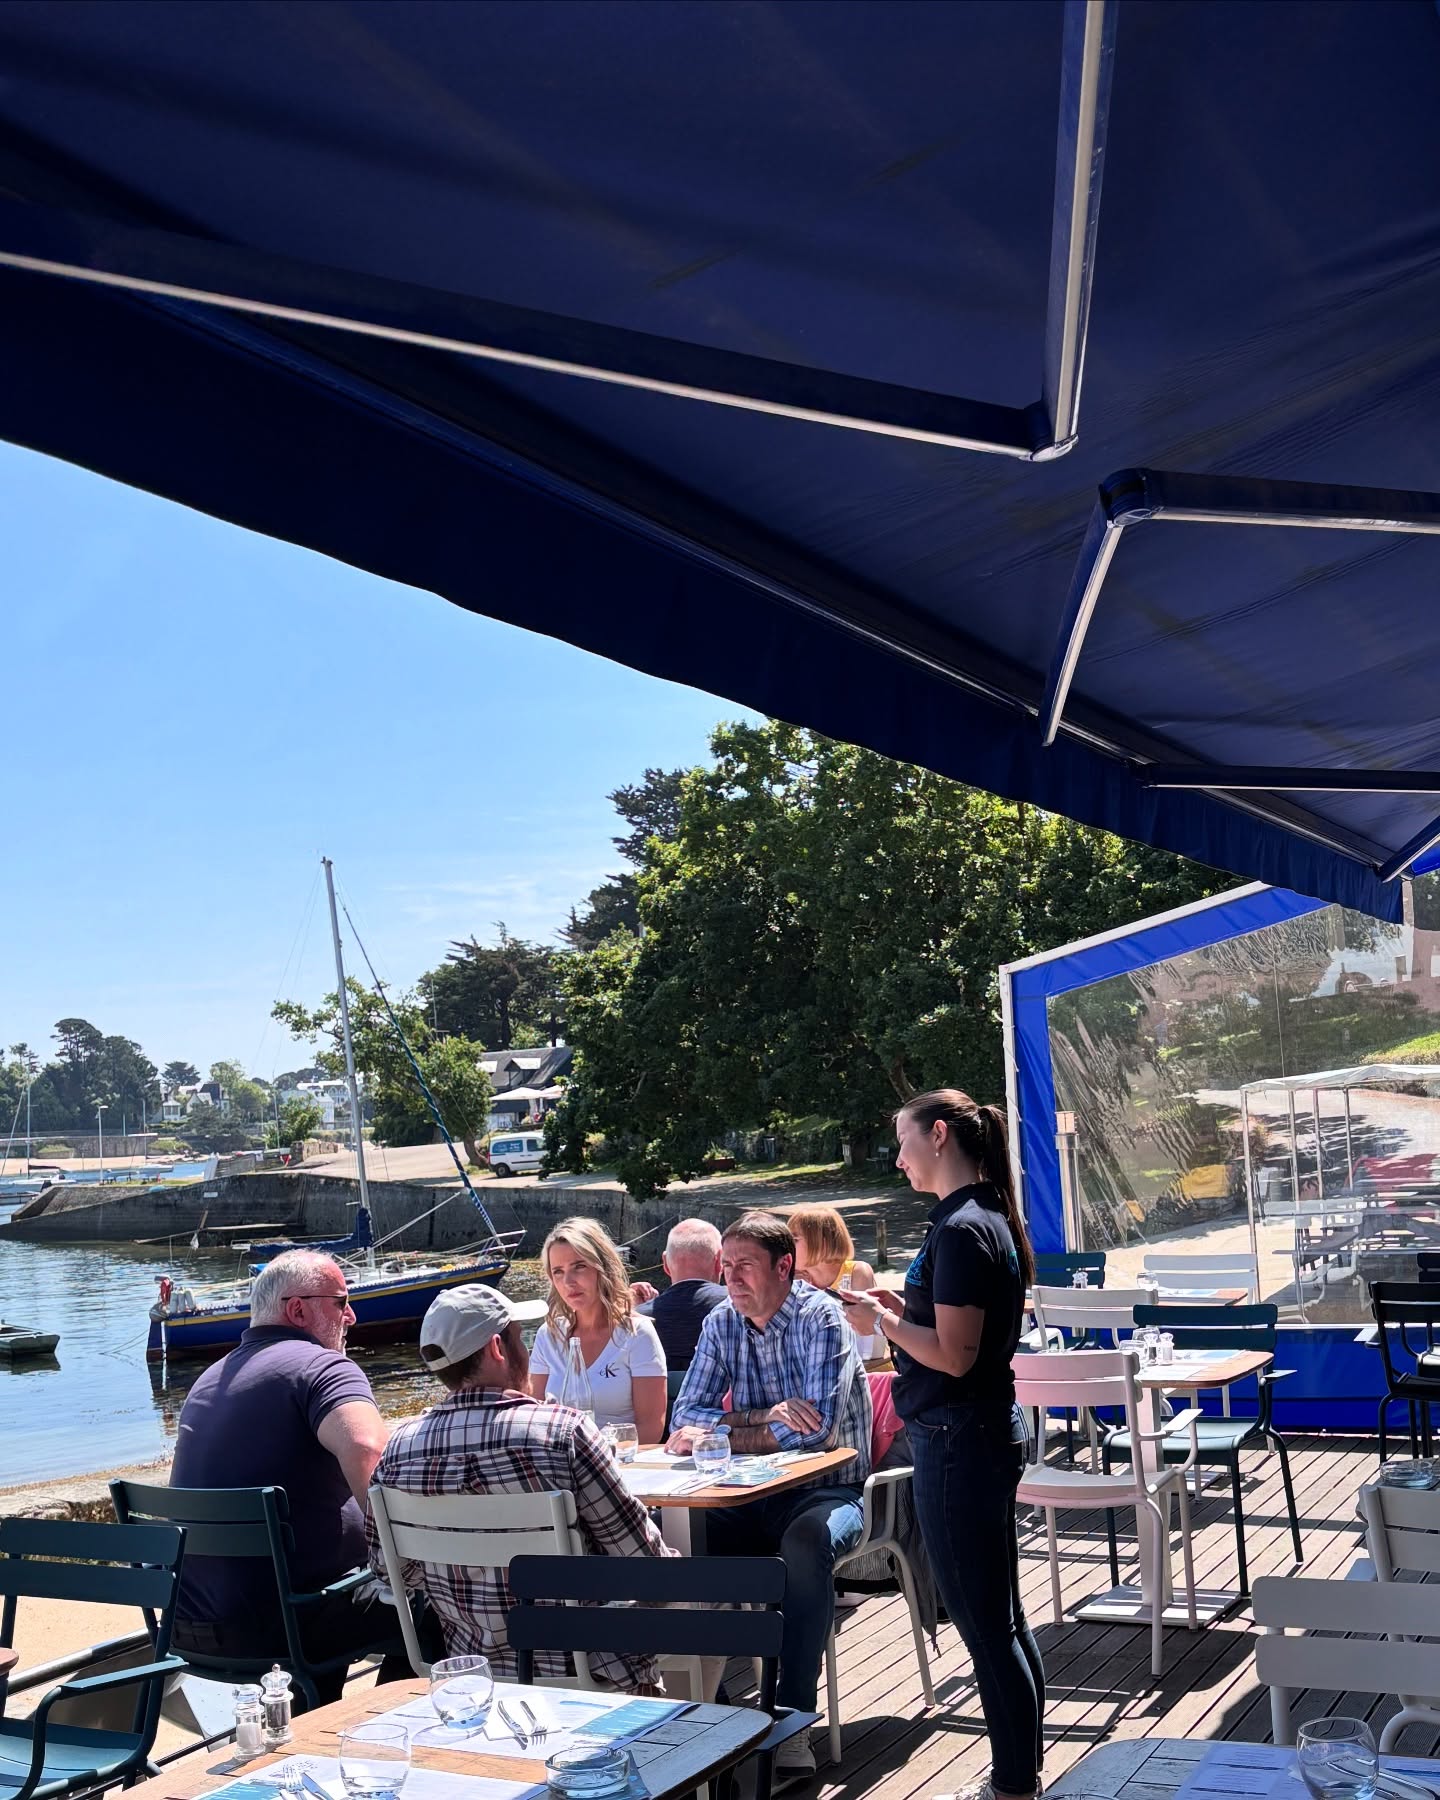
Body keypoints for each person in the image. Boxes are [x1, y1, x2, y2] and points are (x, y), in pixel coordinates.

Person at [840, 1091, 1044, 1800]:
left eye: (902, 1142)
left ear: (938, 1135)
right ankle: (1023, 1775)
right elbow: (961, 1338)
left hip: (956, 1439)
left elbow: (955, 1357)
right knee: (1004, 1621)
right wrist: (903, 1312)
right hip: (978, 1433)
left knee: (987, 1629)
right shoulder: (985, 1217)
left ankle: (1014, 1785)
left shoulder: (961, 1228)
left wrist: (880, 1321)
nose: (896, 1158)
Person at [368, 1284, 674, 1688]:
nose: (527, 1350)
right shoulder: (564, 1433)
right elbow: (644, 1565)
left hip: (477, 1676)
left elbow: (391, 1573)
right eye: (520, 1337)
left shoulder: (399, 1451)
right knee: (707, 1602)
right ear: (498, 1347)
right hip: (591, 1676)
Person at [168, 1249, 431, 1699]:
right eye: (341, 1301)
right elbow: (368, 1449)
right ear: (298, 1309)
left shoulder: (208, 1380)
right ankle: (386, 1726)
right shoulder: (322, 1367)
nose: (351, 1315)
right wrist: (410, 1556)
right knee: (438, 1601)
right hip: (290, 1624)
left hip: (191, 1624)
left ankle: (322, 1717)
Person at [668, 1210, 872, 1784]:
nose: (732, 1278)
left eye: (745, 1266)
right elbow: (685, 1419)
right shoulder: (721, 1323)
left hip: (830, 1488)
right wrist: (761, 1417)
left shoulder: (821, 1318)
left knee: (806, 1543)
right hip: (747, 1489)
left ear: (785, 1267)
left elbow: (819, 1431)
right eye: (725, 1266)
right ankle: (705, 1719)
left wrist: (723, 1428)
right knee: (685, 1540)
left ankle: (792, 1721)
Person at [529, 1216, 668, 1443]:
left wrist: (598, 1460)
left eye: (579, 1267)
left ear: (601, 1267)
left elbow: (651, 1428)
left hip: (619, 1465)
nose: (568, 1281)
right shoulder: (548, 1335)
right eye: (558, 1272)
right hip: (560, 1466)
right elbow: (534, 1418)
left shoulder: (637, 1335)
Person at [789, 1205, 879, 1360]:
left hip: (869, 1369)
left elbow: (866, 1336)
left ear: (822, 1243)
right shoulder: (795, 1281)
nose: (787, 1246)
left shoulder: (856, 1273)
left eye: (794, 1240)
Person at [635, 1218, 727, 1369]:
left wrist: (629, 1307)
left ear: (665, 1263)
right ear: (719, 1261)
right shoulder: (740, 1307)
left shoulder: (637, 1320)